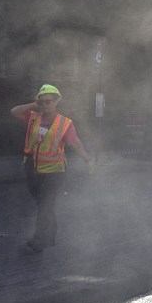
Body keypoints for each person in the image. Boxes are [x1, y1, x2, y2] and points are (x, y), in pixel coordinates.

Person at [11, 84, 96, 253]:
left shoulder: (65, 123)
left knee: (45, 205)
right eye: (41, 102)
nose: (44, 105)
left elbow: (75, 142)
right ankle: (49, 232)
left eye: (48, 102)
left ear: (56, 101)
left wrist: (88, 159)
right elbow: (15, 112)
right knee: (42, 203)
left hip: (55, 172)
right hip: (33, 169)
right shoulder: (33, 118)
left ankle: (40, 240)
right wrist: (34, 104)